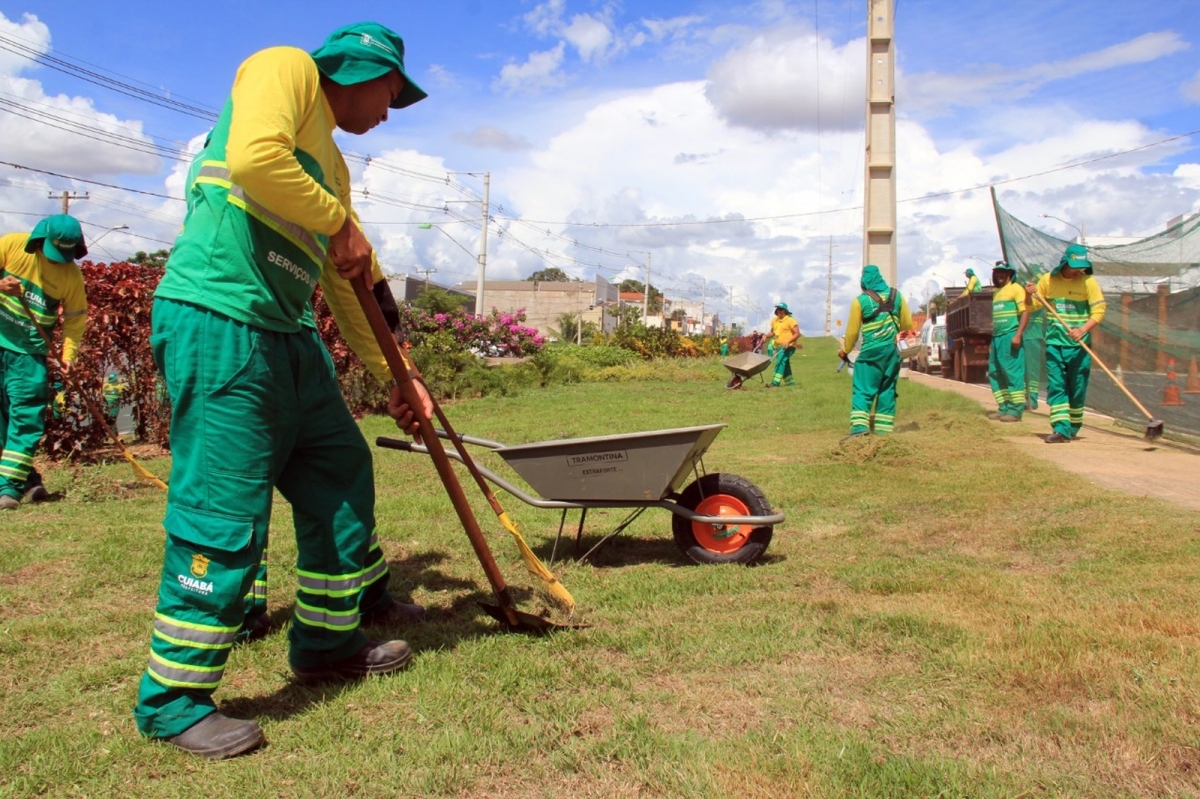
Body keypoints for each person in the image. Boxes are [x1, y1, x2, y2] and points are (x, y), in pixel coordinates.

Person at [132, 22, 433, 760]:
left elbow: (348, 281)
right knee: (223, 505)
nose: (390, 113)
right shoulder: (285, 68)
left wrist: (403, 377)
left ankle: (327, 642)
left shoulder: (333, 163)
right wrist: (339, 222)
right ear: (358, 70)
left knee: (339, 471)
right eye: (391, 93)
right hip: (220, 316)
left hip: (287, 333)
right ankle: (173, 699)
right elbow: (255, 159)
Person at [0, 214, 89, 510]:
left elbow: (75, 320)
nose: (59, 261)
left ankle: (8, 489)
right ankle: (29, 481)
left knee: (25, 419)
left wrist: (68, 356)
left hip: (29, 355)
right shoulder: (11, 245)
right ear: (40, 240)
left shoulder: (71, 276)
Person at [1026, 243, 1106, 443]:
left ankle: (1073, 427)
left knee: (1077, 389)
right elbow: (1033, 305)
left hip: (1080, 347)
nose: (1078, 271)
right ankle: (1061, 429)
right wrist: (1029, 294)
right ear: (1064, 263)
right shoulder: (1048, 281)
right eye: (1074, 267)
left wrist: (1083, 329)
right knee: (1057, 386)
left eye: (1081, 267)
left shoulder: (1088, 283)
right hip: (1055, 344)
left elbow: (1099, 311)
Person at [838, 264, 913, 437]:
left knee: (863, 388)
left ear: (864, 280)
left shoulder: (860, 301)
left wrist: (845, 350)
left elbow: (852, 333)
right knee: (887, 389)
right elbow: (907, 325)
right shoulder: (897, 296)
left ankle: (859, 428)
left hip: (871, 351)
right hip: (893, 353)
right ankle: (883, 431)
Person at [986, 262, 1029, 422]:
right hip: (997, 338)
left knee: (1012, 373)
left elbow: (1025, 312)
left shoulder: (1016, 289)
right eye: (997, 273)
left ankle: (1015, 410)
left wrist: (1018, 335)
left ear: (1010, 274)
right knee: (996, 372)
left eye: (1003, 272)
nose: (1000, 275)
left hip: (1010, 336)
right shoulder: (997, 293)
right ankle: (1004, 407)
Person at [763, 302, 801, 388]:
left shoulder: (790, 320)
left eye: (780, 309)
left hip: (789, 346)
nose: (778, 311)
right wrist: (765, 336)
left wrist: (788, 342)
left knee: (780, 361)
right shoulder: (775, 321)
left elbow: (797, 333)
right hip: (778, 346)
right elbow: (772, 332)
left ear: (785, 311)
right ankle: (790, 383)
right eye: (777, 309)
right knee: (785, 363)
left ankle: (775, 383)